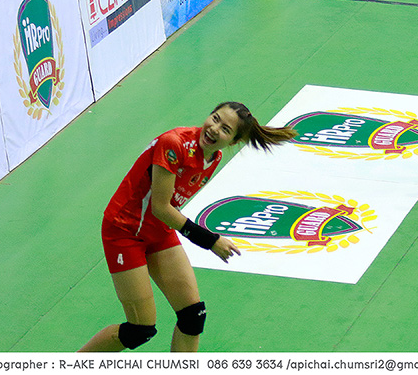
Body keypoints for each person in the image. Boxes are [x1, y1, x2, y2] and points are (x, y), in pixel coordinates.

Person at [79, 102, 296, 352]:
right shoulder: (174, 144)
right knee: (140, 330)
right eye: (215, 118)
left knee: (193, 317)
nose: (214, 129)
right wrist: (210, 240)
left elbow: (164, 212)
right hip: (125, 231)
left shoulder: (213, 157)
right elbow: (161, 207)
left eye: (225, 129)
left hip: (158, 230)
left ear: (234, 141)